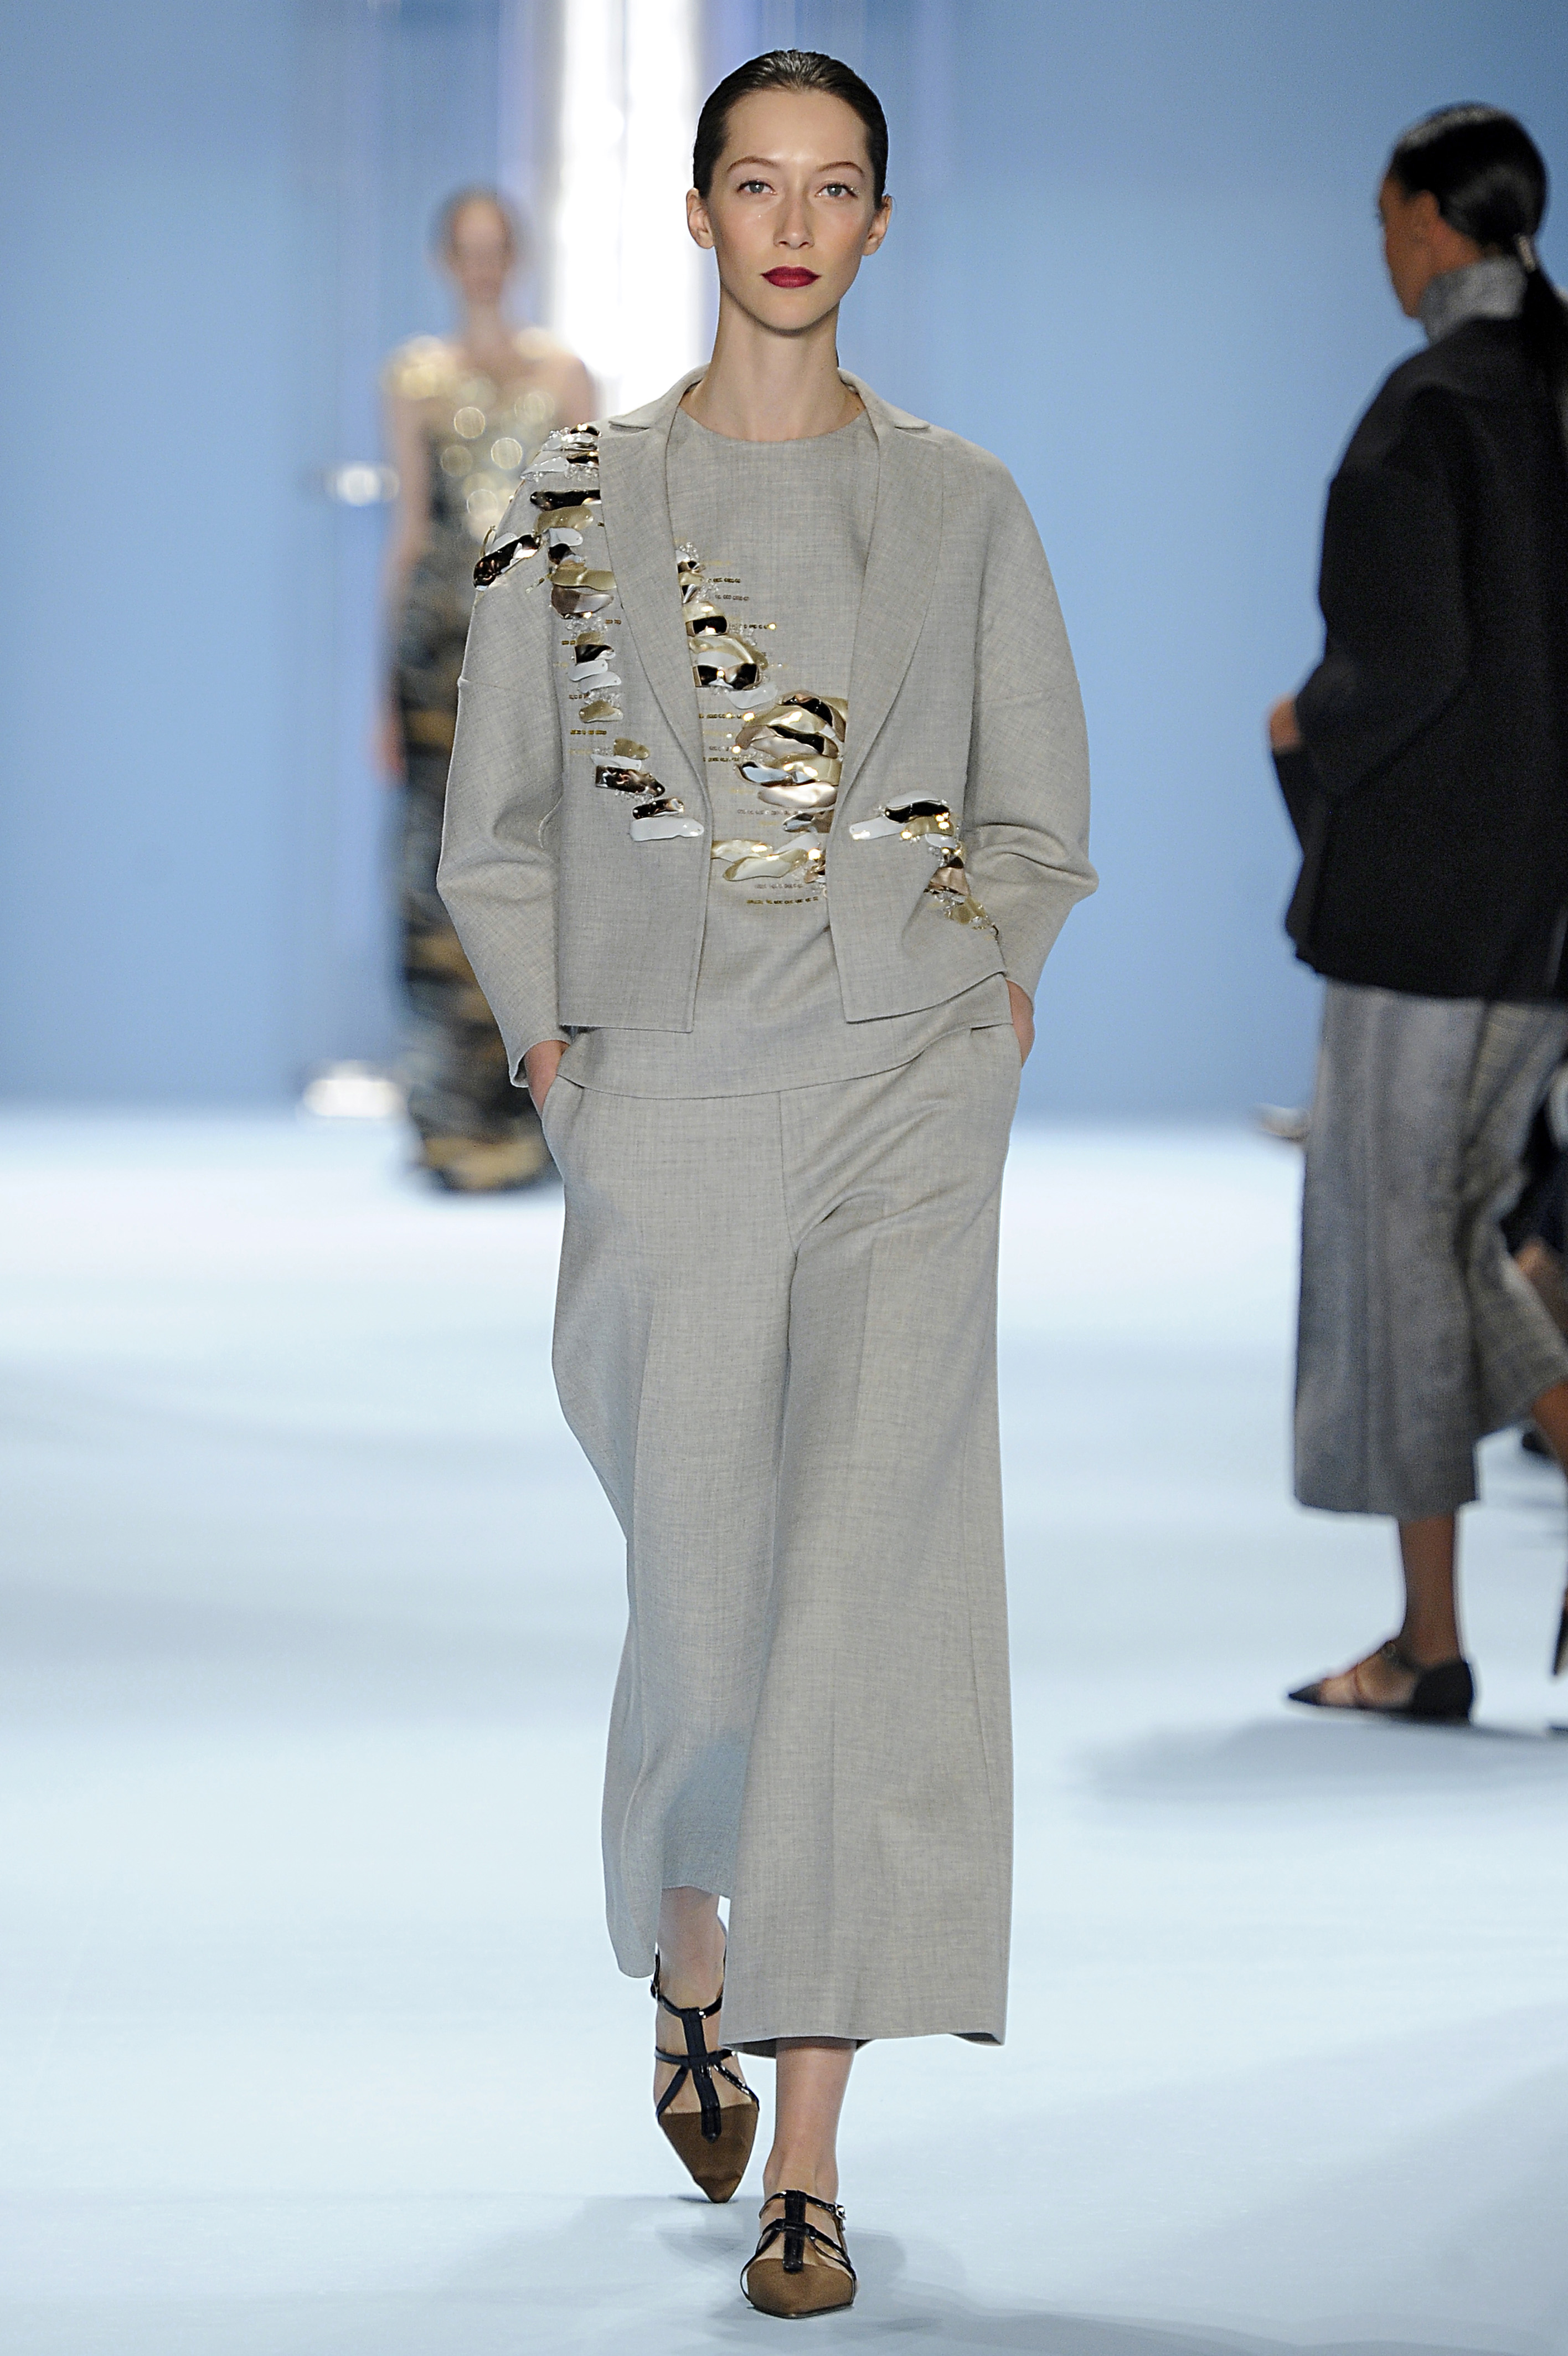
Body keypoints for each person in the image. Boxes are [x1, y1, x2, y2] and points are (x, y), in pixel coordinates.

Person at [439, 50, 1094, 2317]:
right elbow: (496, 819)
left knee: (867, 1608)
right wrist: (555, 1050)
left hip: (905, 1097)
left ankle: (809, 2146)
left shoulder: (967, 507)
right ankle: (691, 1947)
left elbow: (1039, 815)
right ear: (700, 213)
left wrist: (986, 985)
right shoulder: (573, 502)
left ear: (880, 222)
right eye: (756, 183)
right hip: (675, 1102)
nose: (795, 225)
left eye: (834, 189)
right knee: (709, 1602)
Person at [1270, 106, 1568, 1720]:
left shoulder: (1432, 406)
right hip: (1549, 914)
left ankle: (1429, 1642)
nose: (1385, 250)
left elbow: (1404, 665)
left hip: (1434, 913)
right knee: (1460, 1242)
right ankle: (1427, 1641)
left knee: (1402, 1252)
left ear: (1434, 221)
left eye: (1388, 220)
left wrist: (1305, 726)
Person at [381, 190, 595, 1192]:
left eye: (494, 247)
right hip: (434, 648)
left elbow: (581, 538)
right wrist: (377, 697)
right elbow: (410, 530)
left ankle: (533, 1104)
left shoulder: (563, 377)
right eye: (465, 248)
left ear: (516, 257)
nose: (481, 264)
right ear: (444, 260)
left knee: (529, 855)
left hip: (530, 641)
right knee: (433, 869)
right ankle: (448, 1109)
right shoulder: (413, 378)